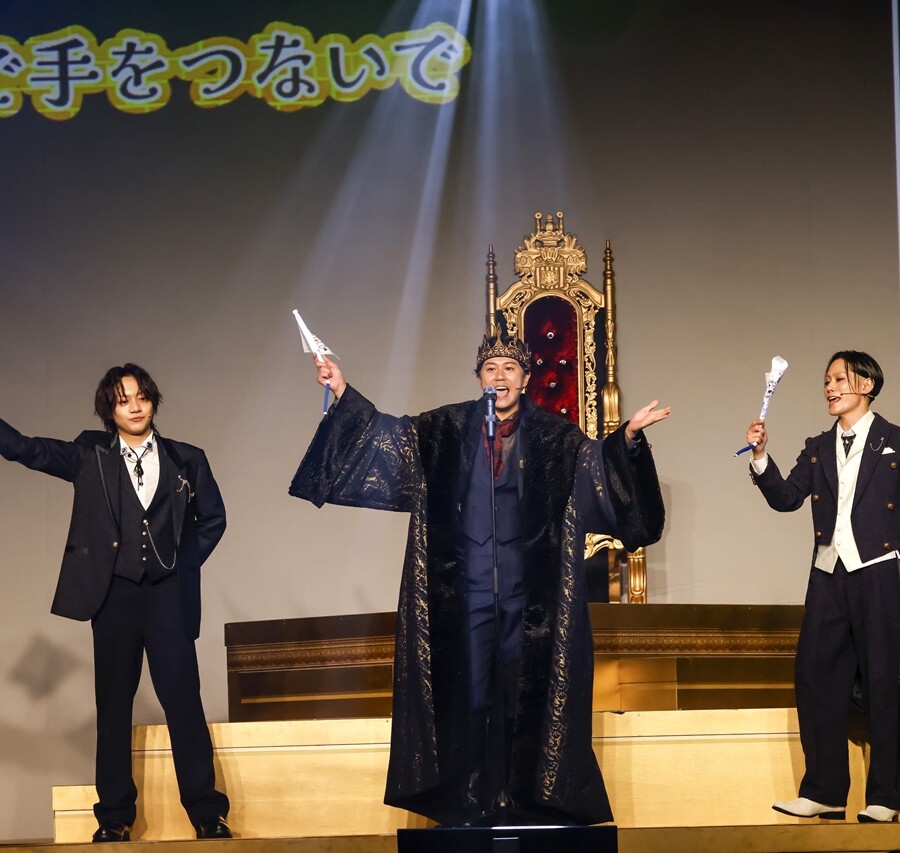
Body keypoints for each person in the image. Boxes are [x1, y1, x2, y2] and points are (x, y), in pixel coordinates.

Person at [290, 334, 668, 826]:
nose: (500, 376)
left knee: (521, 690)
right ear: (478, 378)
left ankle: (522, 796)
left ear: (526, 379)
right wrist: (342, 391)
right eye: (491, 368)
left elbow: (598, 472)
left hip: (530, 594)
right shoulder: (445, 429)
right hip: (460, 591)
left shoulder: (555, 437)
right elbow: (388, 441)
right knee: (468, 691)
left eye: (510, 368)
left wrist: (628, 440)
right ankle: (469, 797)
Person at [0, 364, 231, 842]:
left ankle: (207, 813)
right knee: (113, 707)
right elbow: (26, 449)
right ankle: (114, 817)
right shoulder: (90, 454)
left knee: (183, 703)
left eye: (142, 396)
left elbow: (213, 518)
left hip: (168, 596)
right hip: (114, 595)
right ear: (109, 408)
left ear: (153, 401)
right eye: (124, 399)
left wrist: (180, 564)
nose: (135, 406)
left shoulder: (187, 459)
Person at [746, 350, 900, 824]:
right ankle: (825, 792)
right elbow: (787, 498)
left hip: (880, 573)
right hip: (828, 573)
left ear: (866, 385)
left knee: (885, 682)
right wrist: (760, 457)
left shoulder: (895, 441)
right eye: (826, 381)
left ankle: (887, 796)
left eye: (839, 379)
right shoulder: (817, 446)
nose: (830, 388)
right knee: (816, 678)